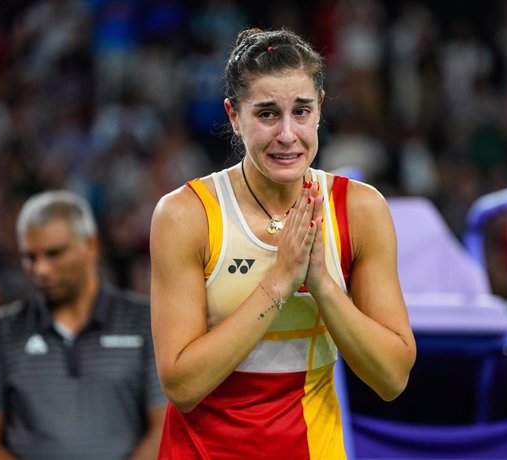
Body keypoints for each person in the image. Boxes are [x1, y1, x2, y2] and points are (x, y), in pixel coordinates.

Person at [149, 27, 416, 459]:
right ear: (234, 116)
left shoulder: (359, 210)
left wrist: (323, 285)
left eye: (302, 111)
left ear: (321, 109)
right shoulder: (187, 215)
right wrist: (278, 283)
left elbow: (392, 378)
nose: (288, 134)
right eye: (267, 114)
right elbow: (181, 385)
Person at [0, 190, 166, 460]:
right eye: (30, 257)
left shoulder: (145, 321)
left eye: (54, 254)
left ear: (91, 246)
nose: (41, 269)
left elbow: (164, 428)